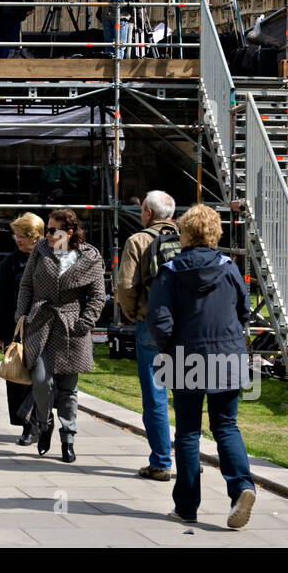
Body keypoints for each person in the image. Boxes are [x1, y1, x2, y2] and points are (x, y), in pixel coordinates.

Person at [147, 203, 257, 528]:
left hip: (185, 356)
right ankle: (242, 487)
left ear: (186, 233)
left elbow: (159, 319)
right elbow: (244, 309)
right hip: (228, 354)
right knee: (226, 425)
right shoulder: (229, 266)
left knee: (188, 432)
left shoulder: (170, 271)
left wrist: (169, 348)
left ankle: (186, 506)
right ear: (214, 233)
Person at [16, 207, 105, 463]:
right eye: (46, 229)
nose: (48, 234)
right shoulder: (41, 250)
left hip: (71, 326)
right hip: (41, 323)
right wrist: (21, 316)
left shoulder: (89, 256)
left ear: (68, 232)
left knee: (68, 389)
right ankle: (44, 423)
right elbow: (26, 285)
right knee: (41, 380)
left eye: (53, 230)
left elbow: (98, 296)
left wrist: (84, 322)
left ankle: (68, 438)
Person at [115, 189, 180, 481]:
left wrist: (133, 314)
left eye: (142, 209)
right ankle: (189, 456)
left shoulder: (139, 240)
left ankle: (161, 462)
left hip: (152, 324)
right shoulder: (188, 237)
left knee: (155, 397)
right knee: (186, 395)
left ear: (148, 213)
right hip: (188, 326)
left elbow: (126, 286)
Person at [0, 212, 42, 443]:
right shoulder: (10, 263)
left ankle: (34, 423)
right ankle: (26, 423)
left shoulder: (49, 259)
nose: (17, 239)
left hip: (43, 327)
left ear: (36, 236)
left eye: (23, 235)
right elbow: (1, 300)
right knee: (17, 378)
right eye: (16, 235)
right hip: (17, 328)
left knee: (41, 377)